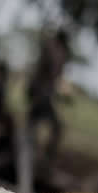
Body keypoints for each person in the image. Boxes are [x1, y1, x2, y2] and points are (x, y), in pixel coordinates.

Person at [25, 28, 71, 162]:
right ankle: (34, 156)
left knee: (41, 127)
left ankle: (40, 157)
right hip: (41, 95)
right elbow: (48, 73)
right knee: (35, 128)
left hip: (43, 95)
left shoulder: (53, 49)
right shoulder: (54, 51)